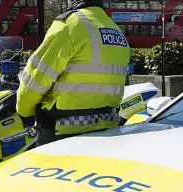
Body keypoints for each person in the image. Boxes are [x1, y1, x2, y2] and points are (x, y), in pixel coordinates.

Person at [16, 0, 130, 146]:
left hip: (62, 132)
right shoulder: (117, 32)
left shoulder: (70, 25)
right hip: (107, 130)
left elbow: (34, 81)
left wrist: (25, 113)